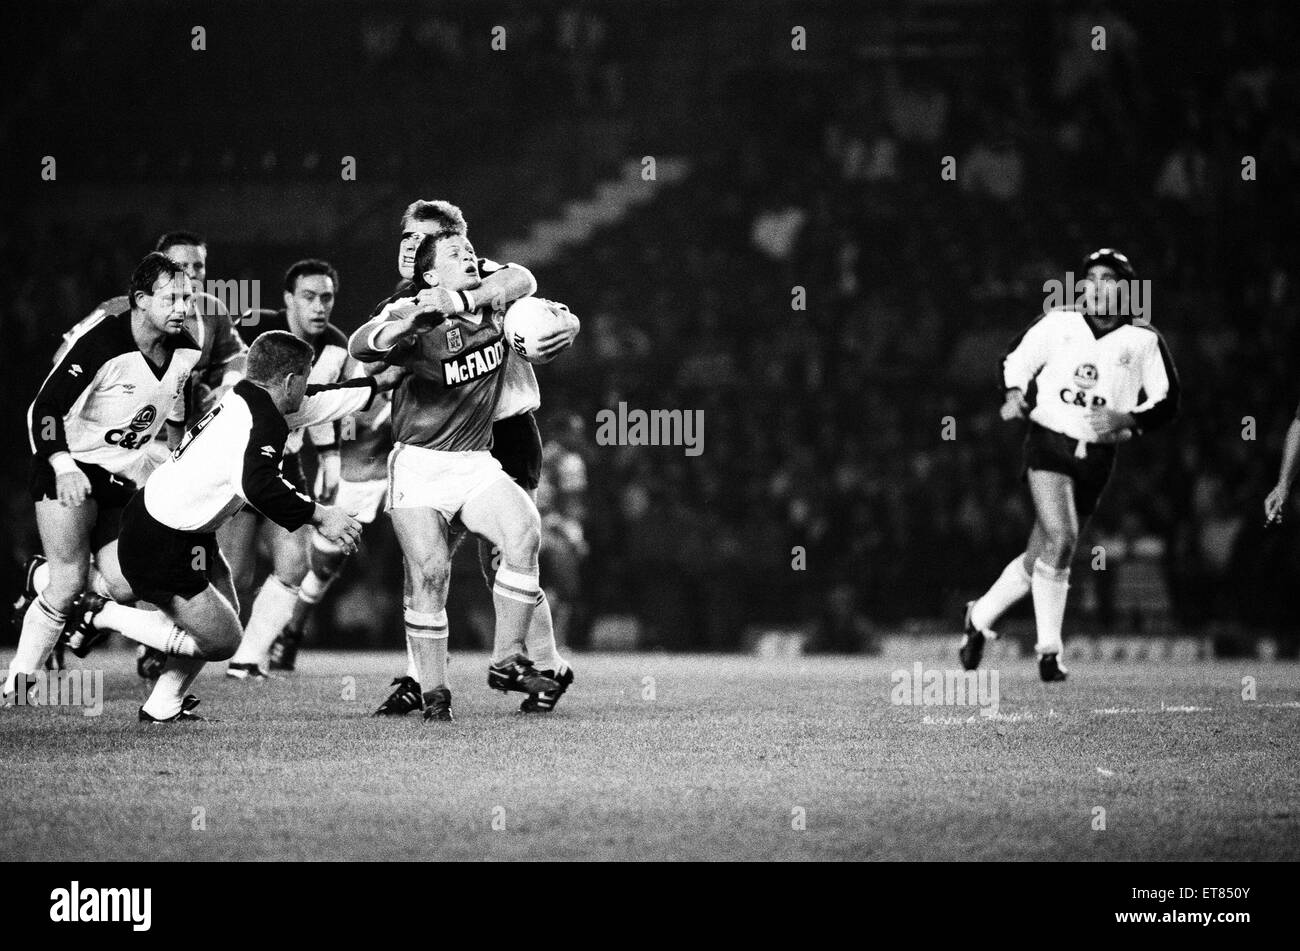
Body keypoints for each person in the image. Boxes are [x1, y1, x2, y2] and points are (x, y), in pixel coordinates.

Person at [62, 332, 365, 721]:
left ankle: (162, 706)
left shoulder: (243, 394)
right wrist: (324, 514)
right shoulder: (262, 419)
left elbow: (319, 399)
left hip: (177, 526)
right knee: (223, 641)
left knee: (223, 616)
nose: (307, 387)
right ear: (289, 381)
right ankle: (101, 614)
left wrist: (374, 384)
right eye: (305, 377)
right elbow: (260, 485)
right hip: (163, 538)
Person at [363, 200, 580, 718]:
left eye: (424, 238)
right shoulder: (404, 301)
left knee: (507, 552)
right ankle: (425, 679)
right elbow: (371, 353)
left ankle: (542, 663)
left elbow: (523, 282)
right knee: (425, 565)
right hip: (431, 444)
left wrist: (564, 323)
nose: (411, 247)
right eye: (406, 237)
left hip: (502, 431)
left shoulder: (488, 279)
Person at [960, 249, 1180, 681]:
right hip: (1048, 443)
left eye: (1109, 279)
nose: (1098, 286)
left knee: (1038, 554)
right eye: (1091, 278)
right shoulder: (1059, 323)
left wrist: (1128, 418)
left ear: (1126, 289)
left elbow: (1166, 401)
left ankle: (978, 617)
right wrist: (1014, 394)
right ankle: (1049, 652)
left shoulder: (1142, 341)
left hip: (1097, 456)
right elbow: (1016, 359)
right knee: (1064, 538)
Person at [4, 254, 201, 703]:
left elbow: (176, 409)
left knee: (126, 582)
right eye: (171, 298)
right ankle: (18, 683)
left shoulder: (186, 348)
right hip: (70, 465)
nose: (182, 307)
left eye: (187, 297)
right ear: (140, 301)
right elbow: (44, 409)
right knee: (70, 580)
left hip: (121, 477)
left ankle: (50, 584)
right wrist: (61, 464)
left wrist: (176, 457)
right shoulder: (101, 344)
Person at [220, 259, 366, 680]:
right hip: (241, 462)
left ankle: (246, 660)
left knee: (294, 564)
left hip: (285, 462)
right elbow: (220, 382)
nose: (320, 306)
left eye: (327, 297)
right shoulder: (251, 330)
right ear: (287, 299)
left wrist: (331, 458)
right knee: (238, 574)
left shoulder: (339, 346)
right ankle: (163, 640)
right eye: (309, 296)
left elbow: (324, 408)